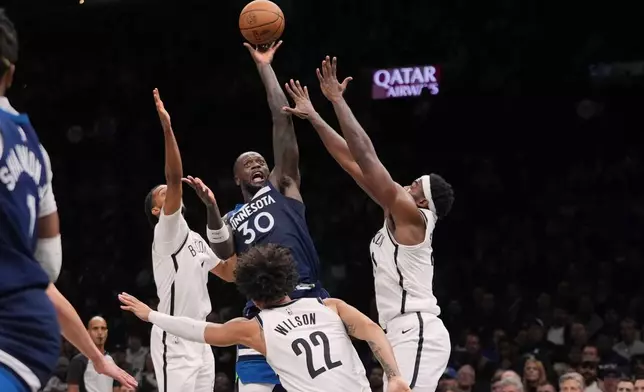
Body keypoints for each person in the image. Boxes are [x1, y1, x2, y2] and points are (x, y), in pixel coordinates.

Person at [281, 56, 455, 392]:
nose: (407, 185)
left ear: (423, 202)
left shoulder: (415, 218)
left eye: (415, 185)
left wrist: (337, 101)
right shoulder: (395, 211)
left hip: (418, 331)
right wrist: (316, 117)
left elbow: (367, 157)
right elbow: (351, 161)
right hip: (396, 332)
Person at [0, 9, 136, 392]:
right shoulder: (35, 150)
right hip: (31, 334)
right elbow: (46, 268)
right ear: (10, 74)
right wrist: (97, 359)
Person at [119, 244, 411, 392]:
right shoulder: (330, 306)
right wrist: (395, 376)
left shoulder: (254, 329)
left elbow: (199, 330)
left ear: (252, 295)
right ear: (287, 280)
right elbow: (373, 331)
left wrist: (152, 315)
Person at [207, 41, 328, 392]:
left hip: (304, 298)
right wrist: (212, 209)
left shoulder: (283, 186)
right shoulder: (231, 217)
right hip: (258, 312)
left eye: (260, 159)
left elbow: (281, 120)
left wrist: (264, 66)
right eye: (248, 163)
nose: (257, 163)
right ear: (236, 178)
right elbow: (221, 252)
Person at [142, 89, 236, 392]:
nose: (170, 192)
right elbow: (174, 178)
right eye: (162, 194)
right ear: (158, 210)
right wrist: (168, 128)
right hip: (174, 335)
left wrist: (213, 210)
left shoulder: (193, 237)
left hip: (201, 334)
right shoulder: (165, 232)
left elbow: (229, 273)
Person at [67, 316, 122, 392]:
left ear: (107, 332)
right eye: (95, 328)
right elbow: (73, 389)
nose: (100, 333)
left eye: (103, 328)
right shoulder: (78, 361)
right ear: (88, 332)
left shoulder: (112, 360)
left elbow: (116, 388)